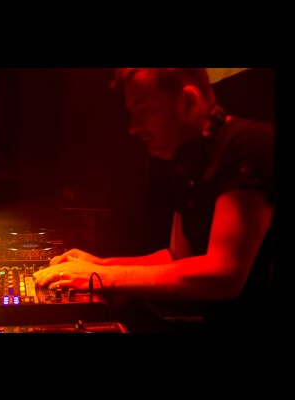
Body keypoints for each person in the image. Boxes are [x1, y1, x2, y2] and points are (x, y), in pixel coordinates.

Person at [33, 68, 276, 334]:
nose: (134, 128)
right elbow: (177, 257)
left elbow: (224, 274)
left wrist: (100, 277)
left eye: (144, 112)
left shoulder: (247, 146)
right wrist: (100, 264)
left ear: (188, 102)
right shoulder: (189, 163)